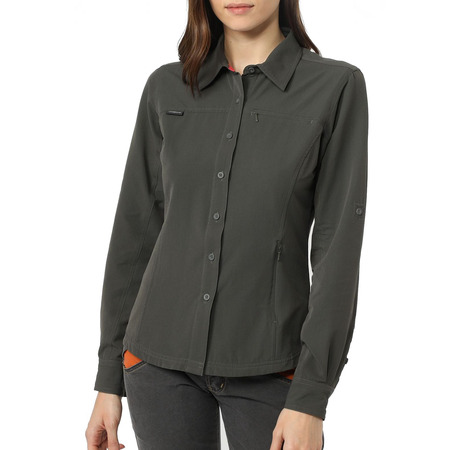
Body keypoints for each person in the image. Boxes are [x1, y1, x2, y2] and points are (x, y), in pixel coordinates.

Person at [85, 0, 369, 449]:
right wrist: (109, 378)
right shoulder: (166, 87)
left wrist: (311, 397)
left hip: (272, 369)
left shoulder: (335, 86)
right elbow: (135, 232)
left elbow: (337, 252)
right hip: (157, 364)